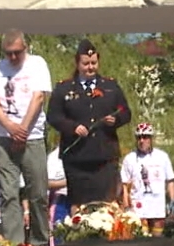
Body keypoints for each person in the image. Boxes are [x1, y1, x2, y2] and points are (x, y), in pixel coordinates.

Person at [46, 39, 132, 205]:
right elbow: (53, 117)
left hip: (105, 156)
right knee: (79, 204)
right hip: (77, 157)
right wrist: (73, 127)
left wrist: (116, 120)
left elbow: (125, 112)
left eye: (94, 63)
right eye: (86, 64)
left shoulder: (110, 86)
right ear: (78, 63)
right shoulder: (64, 88)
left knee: (106, 204)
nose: (90, 67)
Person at [0, 29, 53, 246]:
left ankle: (40, 242)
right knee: (8, 194)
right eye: (9, 53)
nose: (13, 57)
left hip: (32, 136)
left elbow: (39, 97)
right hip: (4, 137)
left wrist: (22, 129)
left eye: (17, 52)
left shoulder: (37, 64)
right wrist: (9, 127)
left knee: (38, 194)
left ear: (25, 48)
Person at [121, 124, 174, 237]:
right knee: (142, 238)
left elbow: (170, 180)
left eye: (145, 137)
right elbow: (124, 184)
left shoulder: (162, 156)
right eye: (139, 137)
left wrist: (172, 202)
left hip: (157, 206)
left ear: (151, 139)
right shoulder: (130, 158)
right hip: (138, 207)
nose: (142, 141)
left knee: (156, 239)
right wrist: (126, 206)